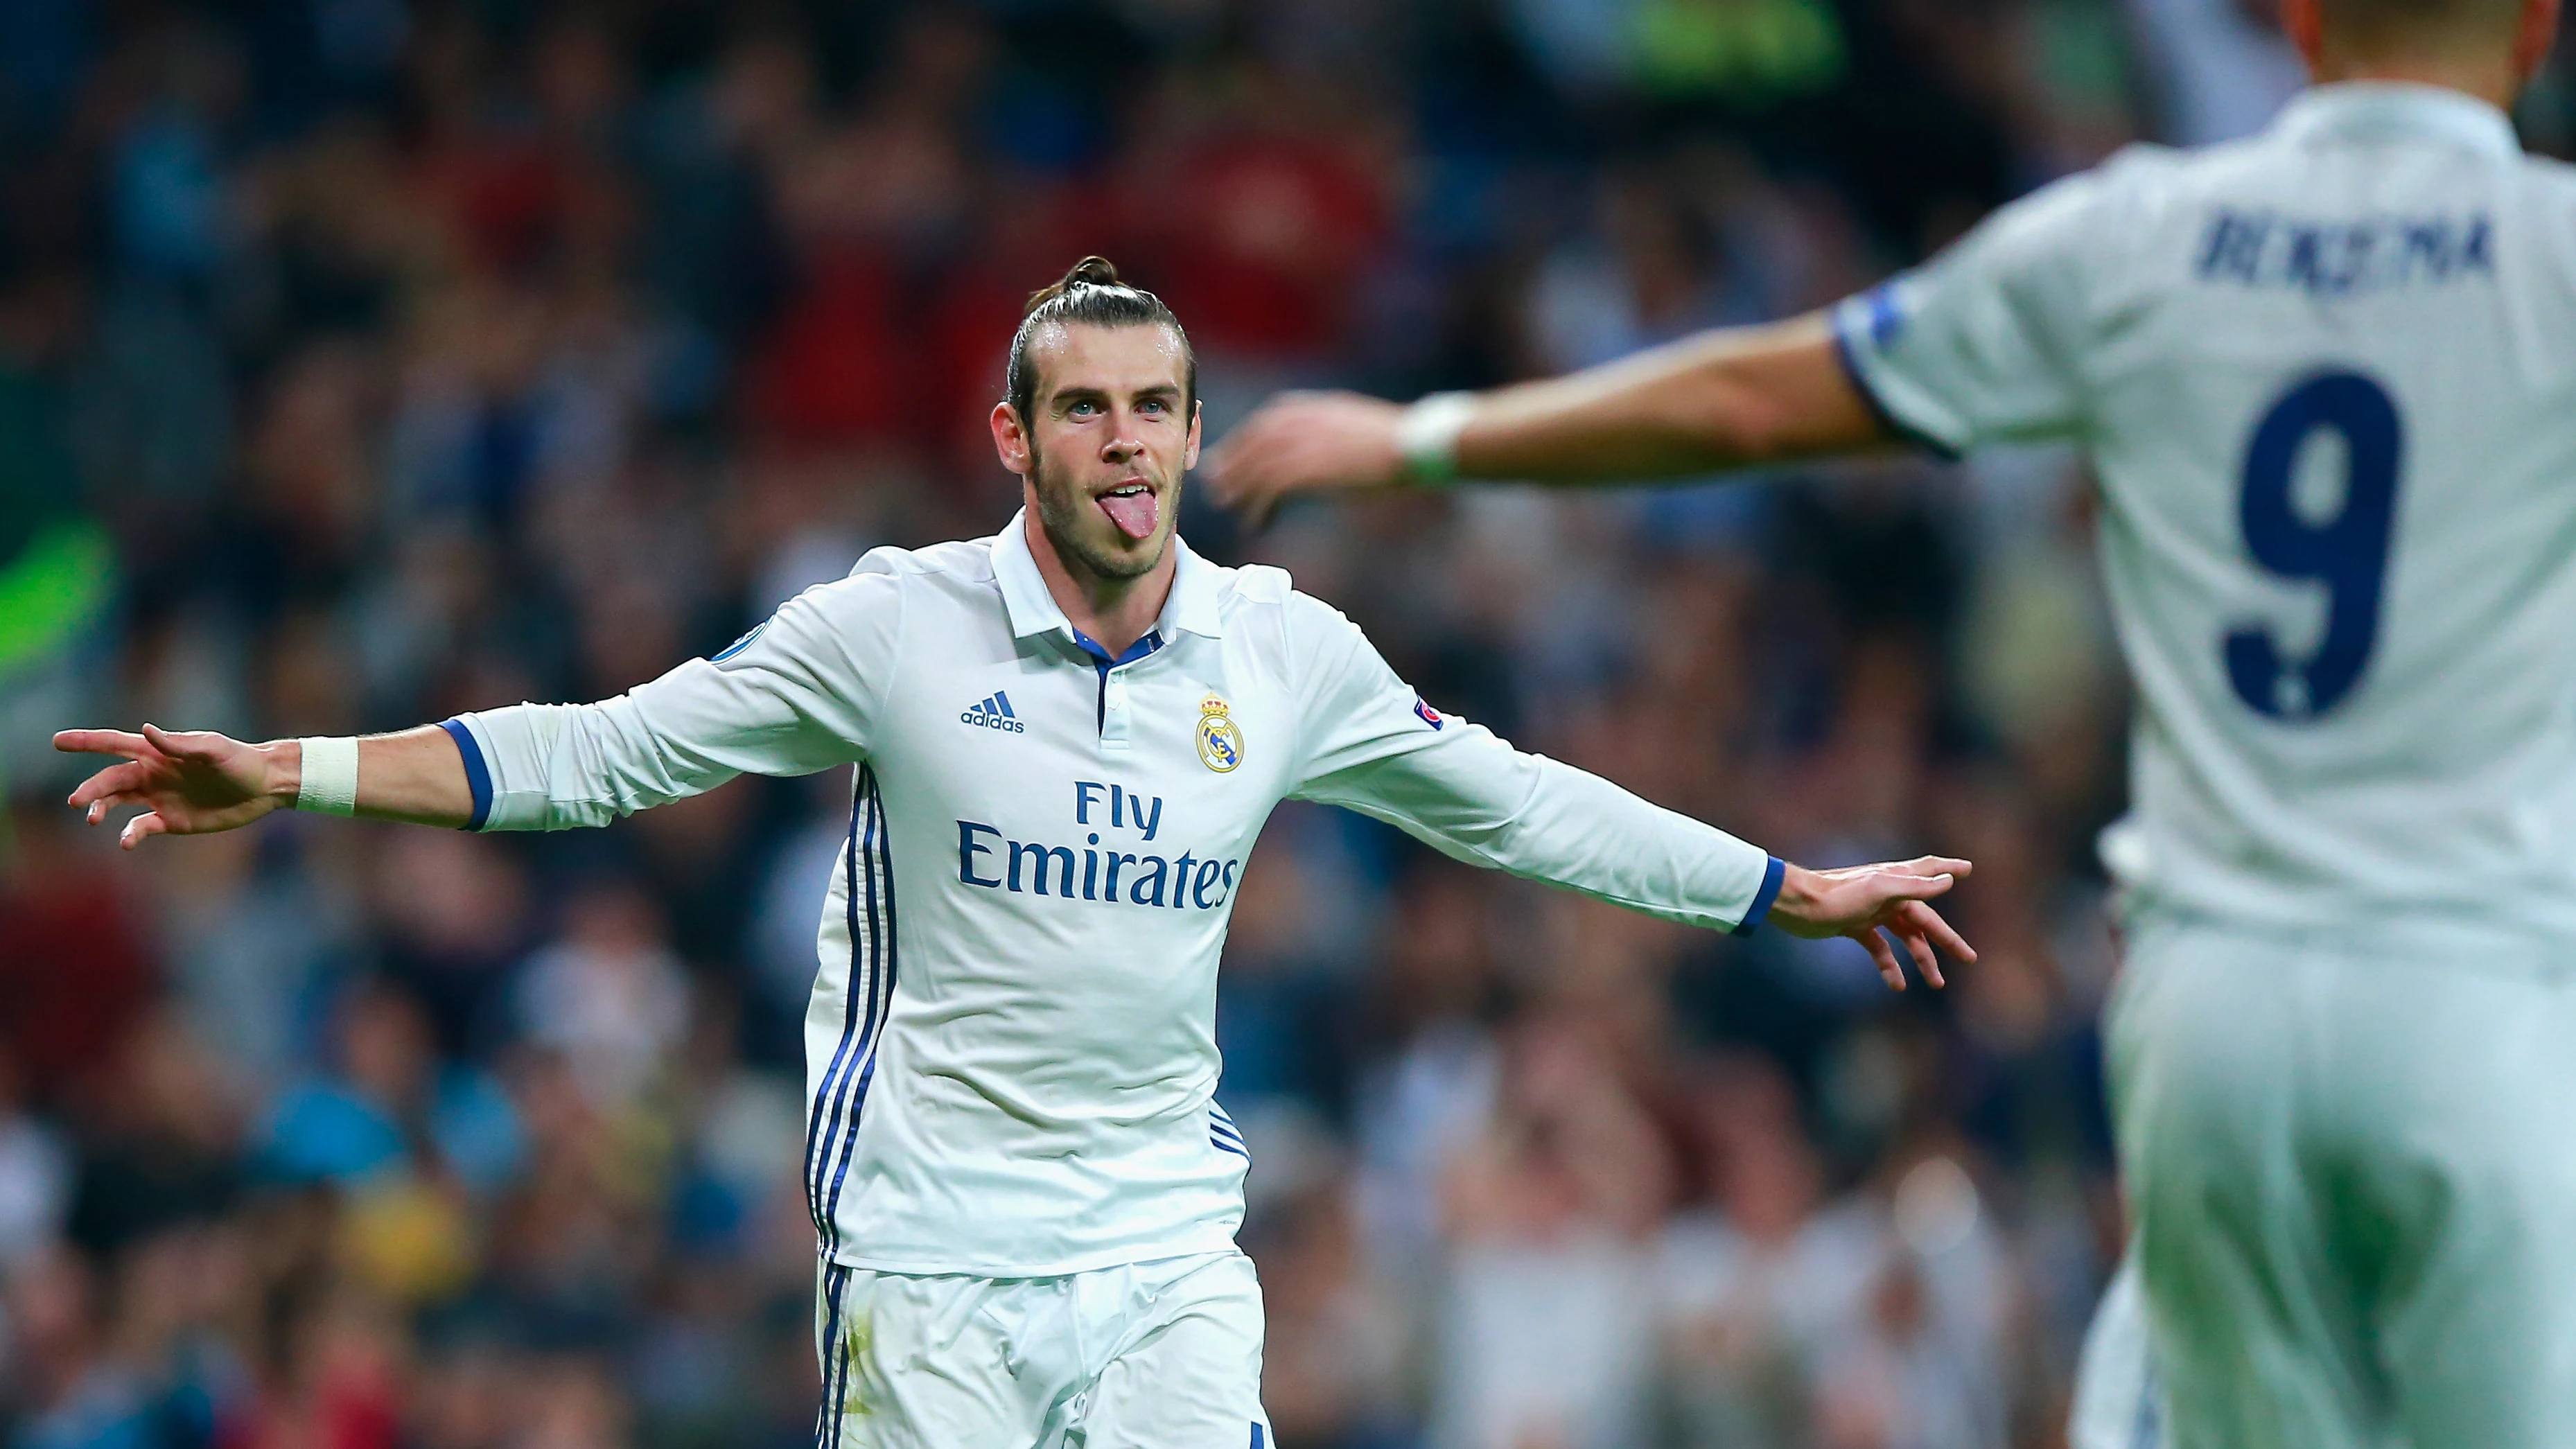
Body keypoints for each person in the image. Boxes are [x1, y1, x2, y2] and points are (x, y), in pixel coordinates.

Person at [56, 258, 1975, 1449]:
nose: (1126, 444)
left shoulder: (1282, 651)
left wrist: (1780, 884)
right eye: (1086, 409)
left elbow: (1519, 800)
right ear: (1013, 434)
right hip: (926, 1257)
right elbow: (599, 757)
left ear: (1194, 429)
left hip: (1157, 1248)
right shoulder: (891, 628)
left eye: (1156, 408)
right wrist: (285, 771)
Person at [1210, 0, 2576, 1439]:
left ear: (2293, 19)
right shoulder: (2554, 253)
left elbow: (1749, 397)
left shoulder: (2132, 237)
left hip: (2213, 1016)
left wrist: (1428, 437)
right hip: (2471, 982)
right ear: (2541, 30)